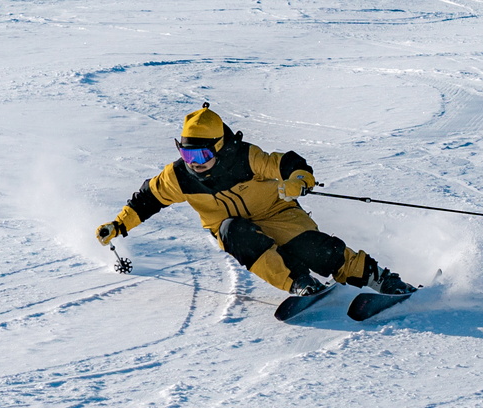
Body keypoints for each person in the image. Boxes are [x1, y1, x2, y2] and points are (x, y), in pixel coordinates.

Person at [95, 103, 416, 298]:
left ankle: (378, 278)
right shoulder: (180, 176)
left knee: (315, 250)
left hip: (278, 214)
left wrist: (299, 179)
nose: (194, 161)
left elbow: (285, 163)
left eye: (201, 153)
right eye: (186, 152)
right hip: (231, 227)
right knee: (234, 232)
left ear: (219, 147)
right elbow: (148, 198)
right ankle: (300, 284)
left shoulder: (246, 158)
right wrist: (119, 224)